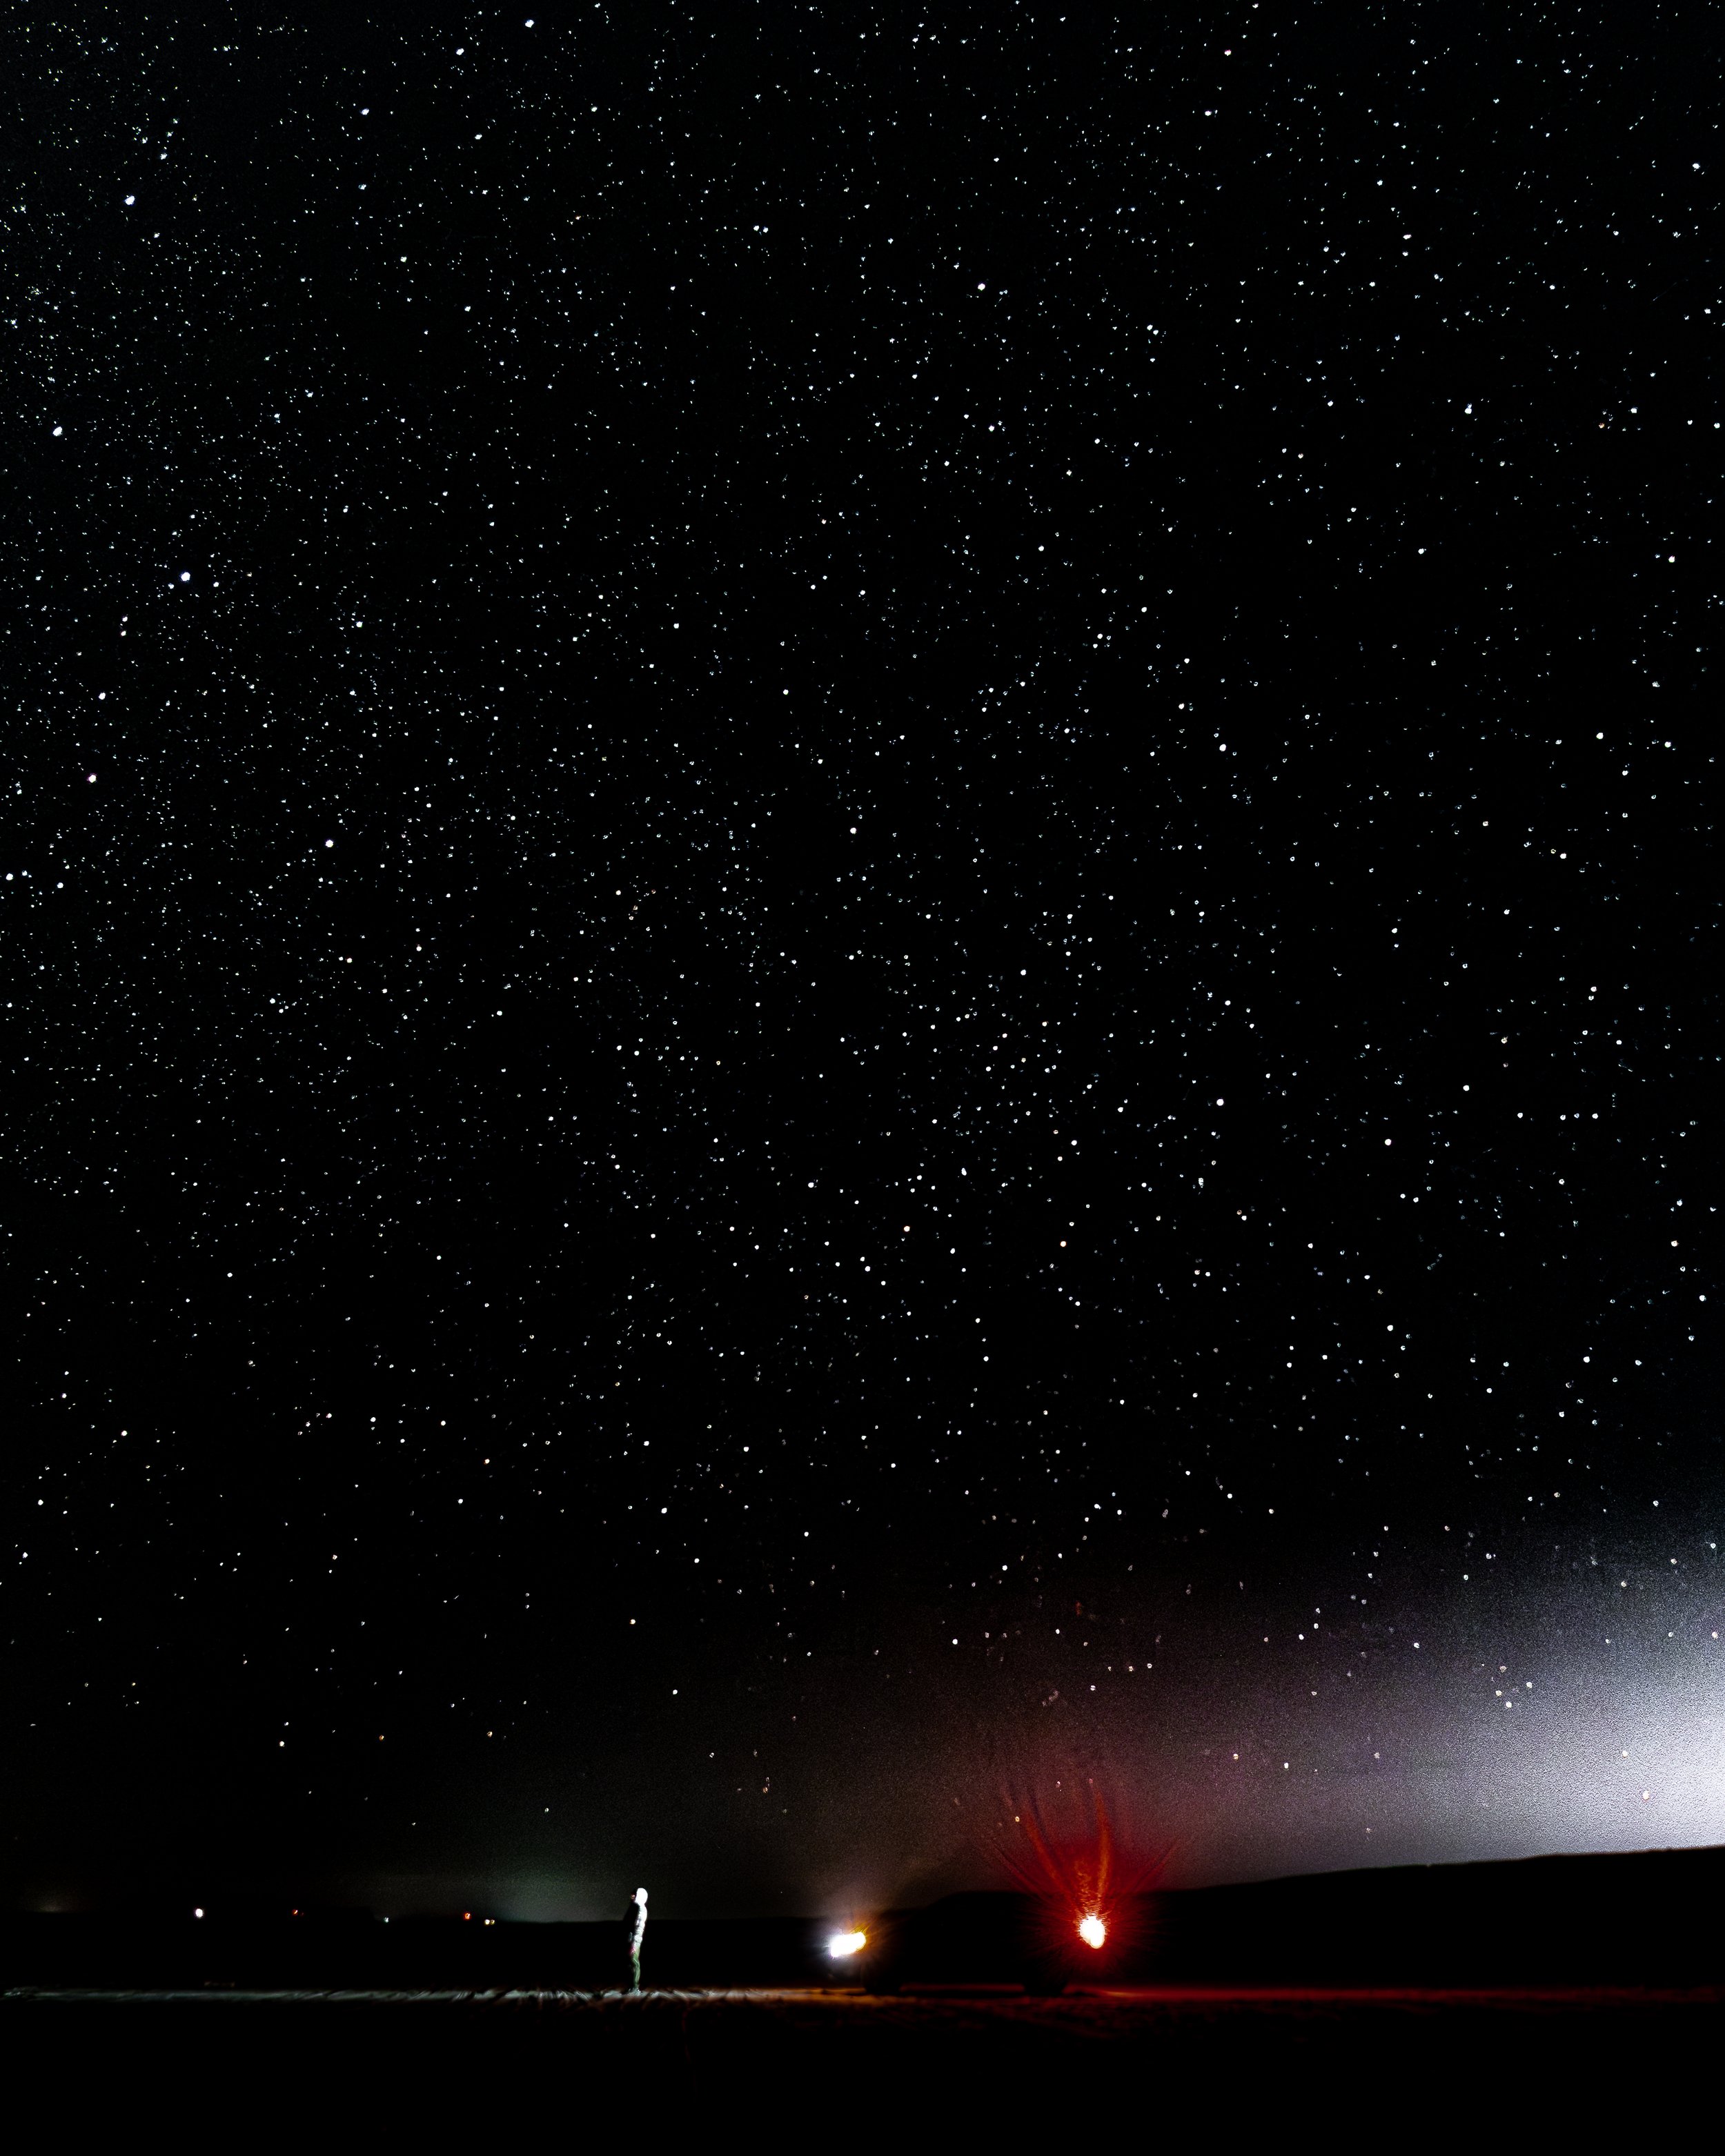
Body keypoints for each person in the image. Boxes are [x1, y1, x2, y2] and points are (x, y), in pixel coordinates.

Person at [625, 1886, 649, 1991]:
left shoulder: (641, 1909)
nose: (632, 1896)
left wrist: (634, 1943)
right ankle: (632, 1986)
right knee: (630, 1962)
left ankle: (635, 1987)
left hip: (635, 1941)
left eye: (634, 1895)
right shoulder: (634, 1908)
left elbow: (639, 1927)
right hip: (631, 1939)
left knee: (634, 1961)